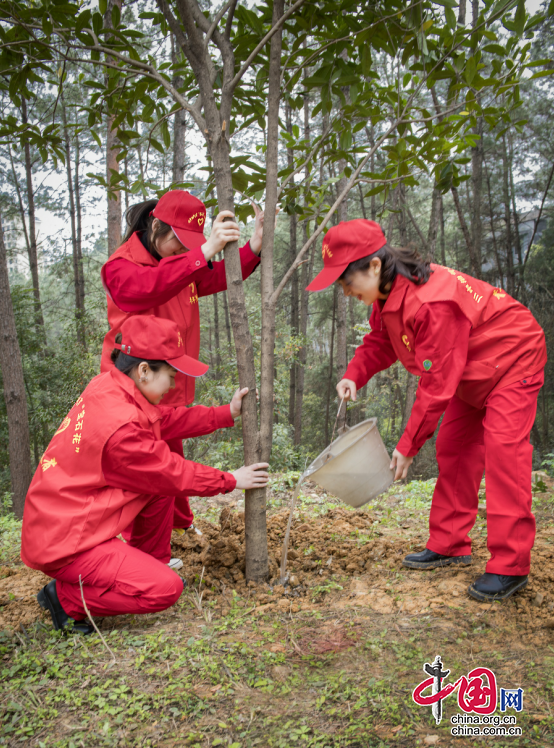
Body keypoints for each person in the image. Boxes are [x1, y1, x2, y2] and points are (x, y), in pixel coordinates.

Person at [306, 218, 547, 603]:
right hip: (470, 369)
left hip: (512, 357)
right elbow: (380, 343)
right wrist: (354, 375)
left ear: (373, 266)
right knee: (454, 446)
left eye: (346, 281)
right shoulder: (386, 297)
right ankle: (451, 543)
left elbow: (436, 385)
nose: (344, 291)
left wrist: (407, 444)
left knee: (504, 453)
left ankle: (510, 566)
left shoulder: (431, 302)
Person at [21, 315, 269, 634]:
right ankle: (66, 599)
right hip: (67, 541)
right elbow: (171, 471)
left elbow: (163, 420)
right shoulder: (121, 429)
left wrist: (225, 413)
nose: (175, 383)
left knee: (159, 489)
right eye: (170, 374)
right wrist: (231, 480)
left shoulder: (112, 387)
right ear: (143, 370)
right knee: (165, 590)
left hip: (62, 520)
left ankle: (139, 566)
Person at [101, 190, 266, 533]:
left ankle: (180, 527)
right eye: (178, 240)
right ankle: (142, 542)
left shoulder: (181, 261)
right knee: (149, 467)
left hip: (166, 379)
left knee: (169, 452)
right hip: (137, 382)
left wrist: (253, 247)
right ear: (156, 225)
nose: (183, 249)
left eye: (190, 243)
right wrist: (203, 252)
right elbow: (145, 288)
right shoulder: (121, 265)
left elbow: (214, 277)